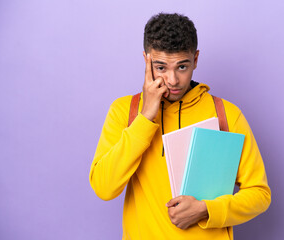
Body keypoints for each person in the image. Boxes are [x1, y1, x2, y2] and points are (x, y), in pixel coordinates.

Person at [89, 13, 271, 240]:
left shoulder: (226, 115)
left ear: (195, 59)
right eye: (161, 67)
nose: (173, 80)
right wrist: (145, 118)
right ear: (146, 60)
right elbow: (104, 188)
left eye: (182, 67)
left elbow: (260, 194)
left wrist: (206, 210)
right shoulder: (125, 111)